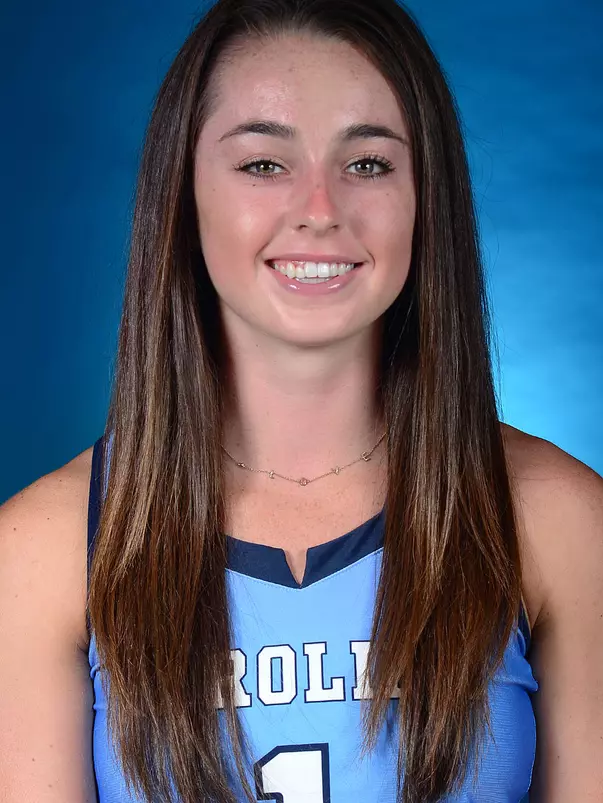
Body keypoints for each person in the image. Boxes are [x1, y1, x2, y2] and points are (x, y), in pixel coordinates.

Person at [1, 0, 602, 800]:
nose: (320, 209)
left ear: (428, 198)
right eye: (262, 164)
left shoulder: (554, 516)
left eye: (367, 164)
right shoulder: (44, 551)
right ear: (182, 197)